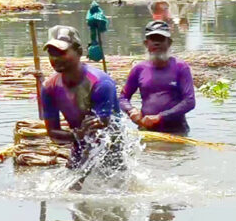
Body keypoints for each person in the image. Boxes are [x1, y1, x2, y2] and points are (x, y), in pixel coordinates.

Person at [36, 25, 119, 169]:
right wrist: (76, 135)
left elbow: (102, 128)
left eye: (61, 52)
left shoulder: (100, 83)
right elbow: (53, 133)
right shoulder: (49, 88)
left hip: (110, 149)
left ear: (79, 52)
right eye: (51, 53)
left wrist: (81, 134)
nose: (55, 58)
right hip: (79, 146)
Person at [119, 20, 196, 134]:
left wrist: (160, 117)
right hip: (147, 131)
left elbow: (189, 101)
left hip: (176, 131)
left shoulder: (181, 67)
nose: (157, 43)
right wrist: (131, 110)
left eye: (161, 39)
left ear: (169, 43)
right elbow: (122, 98)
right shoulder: (139, 69)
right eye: (153, 39)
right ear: (146, 43)